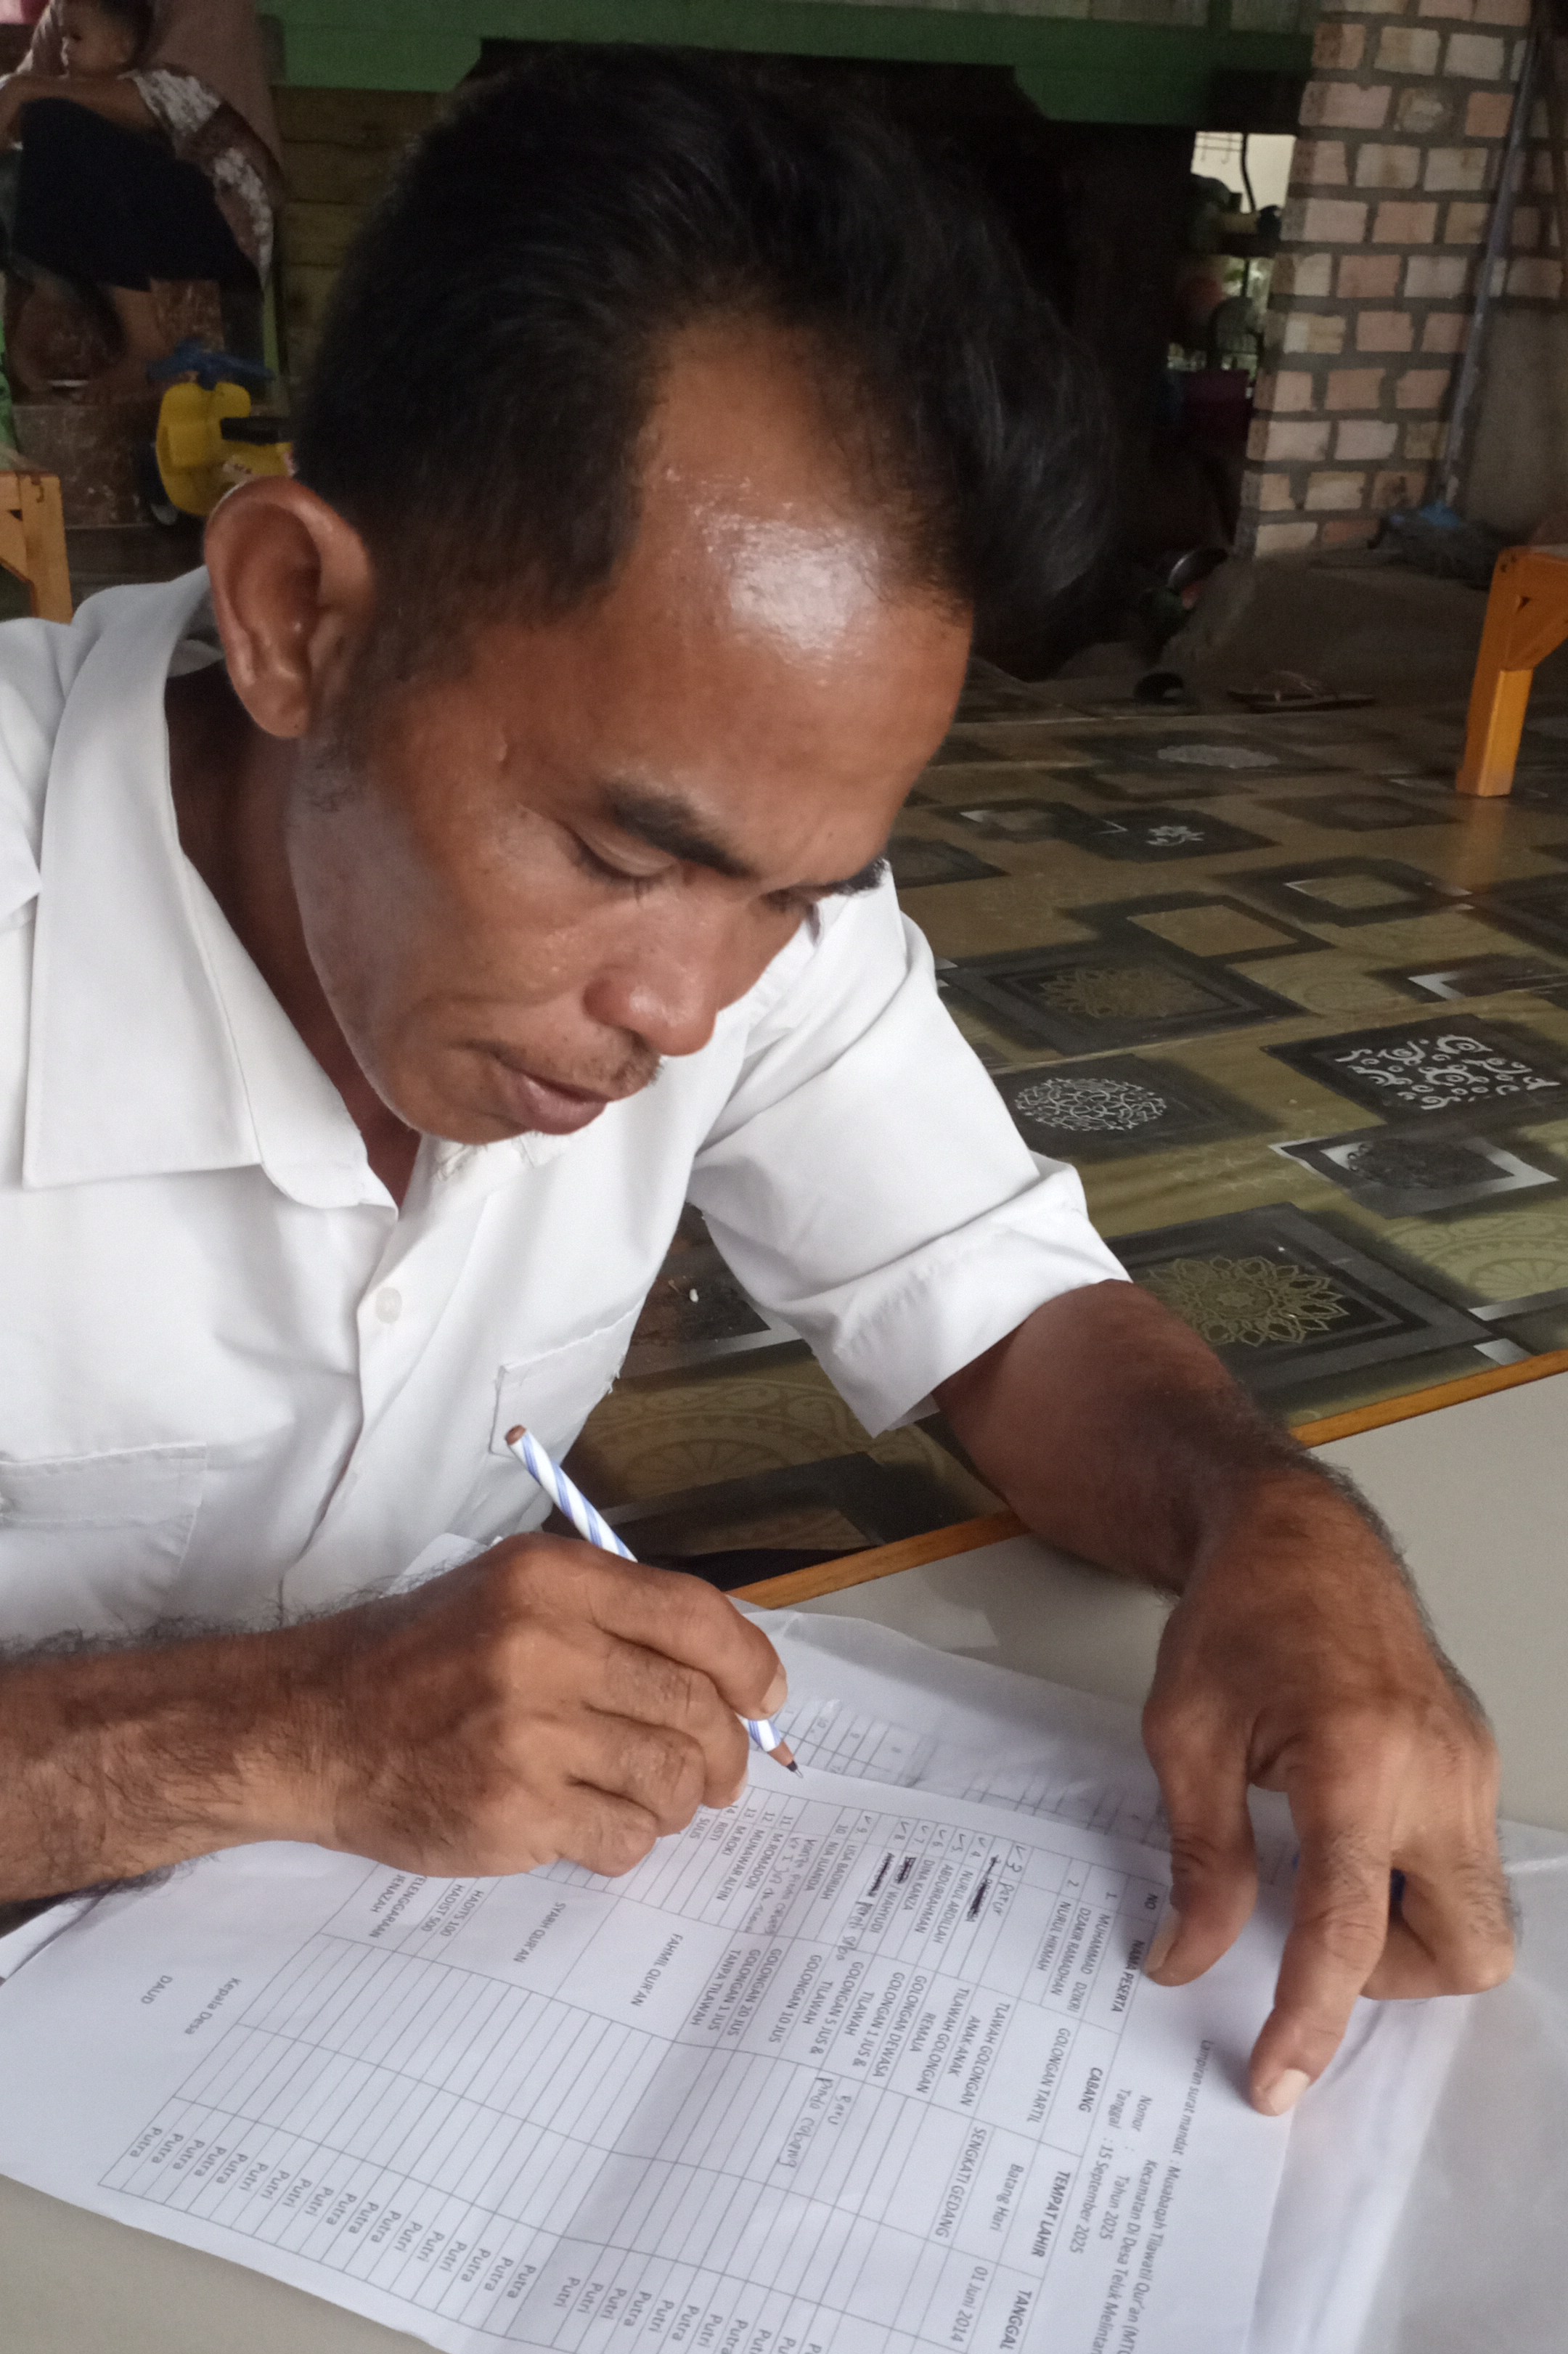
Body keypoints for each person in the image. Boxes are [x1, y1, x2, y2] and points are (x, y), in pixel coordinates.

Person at [0, 51, 1511, 2116]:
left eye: (794, 894)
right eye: (617, 854)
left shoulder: (743, 908)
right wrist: (287, 1732)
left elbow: (1008, 1309)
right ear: (296, 621)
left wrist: (1276, 1525)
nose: (691, 1011)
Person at [0, 0, 280, 399]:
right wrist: (17, 94)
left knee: (59, 122)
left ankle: (147, 344)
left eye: (75, 38)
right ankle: (41, 309)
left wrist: (29, 90)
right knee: (18, 162)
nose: (67, 47)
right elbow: (16, 107)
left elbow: (168, 103)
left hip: (210, 219)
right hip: (111, 211)